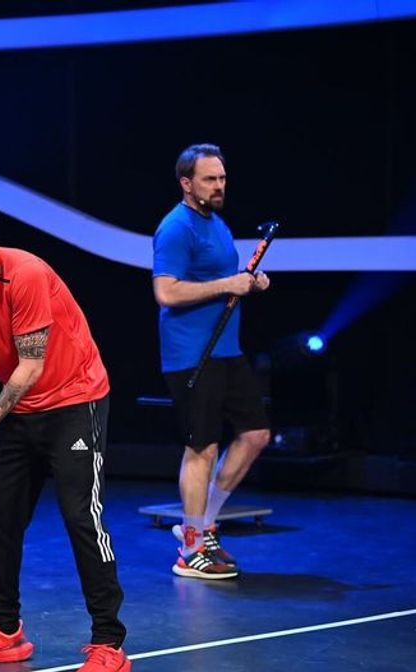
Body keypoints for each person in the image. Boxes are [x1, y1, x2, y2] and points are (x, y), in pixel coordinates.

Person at [0, 194, 129, 672]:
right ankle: (6, 631)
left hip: (75, 399)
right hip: (21, 408)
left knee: (82, 516)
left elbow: (30, 365)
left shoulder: (26, 273)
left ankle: (109, 643)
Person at [152, 144, 272, 580]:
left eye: (222, 178)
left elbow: (222, 280)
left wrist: (249, 283)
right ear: (187, 183)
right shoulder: (176, 228)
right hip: (191, 356)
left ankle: (203, 526)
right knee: (202, 447)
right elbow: (166, 291)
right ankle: (189, 550)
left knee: (256, 434)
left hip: (226, 351)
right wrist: (228, 284)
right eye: (209, 179)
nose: (219, 186)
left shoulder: (215, 222)